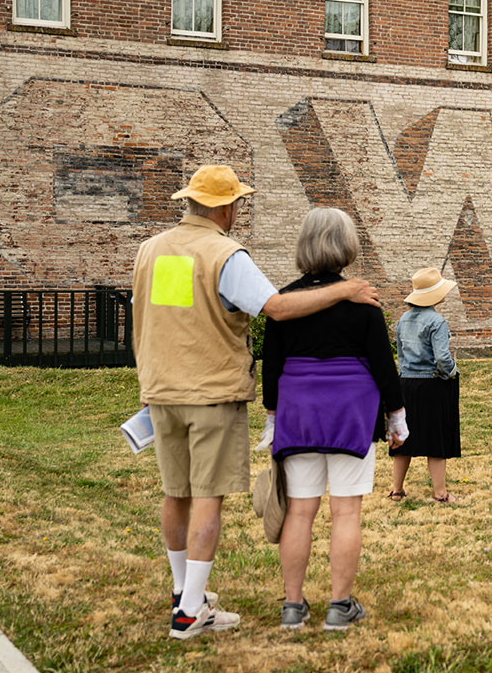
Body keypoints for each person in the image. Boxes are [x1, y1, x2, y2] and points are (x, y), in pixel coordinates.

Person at [132, 165, 380, 640]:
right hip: (211, 392)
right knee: (208, 497)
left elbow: (153, 314)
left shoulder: (151, 250)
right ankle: (190, 613)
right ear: (226, 207)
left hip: (160, 390)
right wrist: (347, 289)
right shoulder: (225, 253)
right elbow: (278, 308)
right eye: (237, 204)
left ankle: (185, 592)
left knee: (175, 493)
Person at [262, 208, 406, 632]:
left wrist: (272, 416)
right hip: (351, 411)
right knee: (346, 513)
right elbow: (384, 364)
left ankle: (293, 606)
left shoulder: (285, 302)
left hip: (298, 411)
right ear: (347, 245)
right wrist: (396, 417)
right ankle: (339, 606)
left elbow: (271, 365)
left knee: (299, 513)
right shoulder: (361, 300)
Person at [392, 268, 462, 502]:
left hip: (406, 384)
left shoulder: (403, 320)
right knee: (436, 439)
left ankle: (396, 490)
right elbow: (442, 358)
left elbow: (400, 355)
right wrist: (452, 371)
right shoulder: (437, 321)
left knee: (403, 439)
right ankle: (440, 493)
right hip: (431, 385)